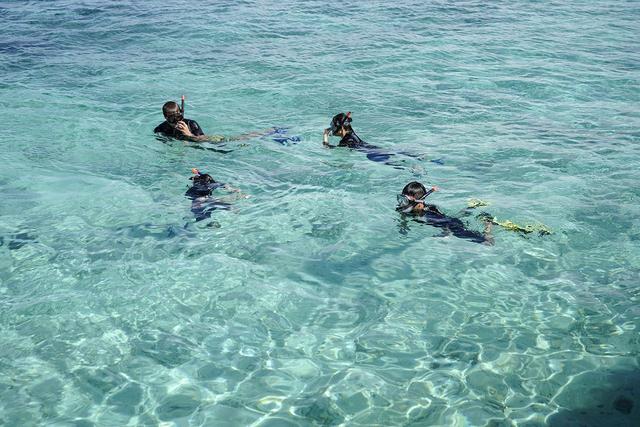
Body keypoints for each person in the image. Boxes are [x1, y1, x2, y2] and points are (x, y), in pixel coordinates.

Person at [396, 181, 494, 245]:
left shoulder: (429, 214)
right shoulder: (405, 208)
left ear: (420, 203)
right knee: (456, 216)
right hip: (446, 220)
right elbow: (403, 216)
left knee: (487, 242)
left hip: (451, 224)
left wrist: (446, 233)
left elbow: (447, 223)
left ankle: (488, 224)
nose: (403, 204)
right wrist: (403, 226)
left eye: (406, 201)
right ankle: (470, 208)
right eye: (402, 199)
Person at [322, 112, 431, 165]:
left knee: (397, 164)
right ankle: (425, 159)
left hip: (373, 153)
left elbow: (333, 150)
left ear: (341, 128)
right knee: (398, 155)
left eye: (334, 127)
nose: (332, 129)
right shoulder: (351, 134)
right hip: (375, 148)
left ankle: (412, 166)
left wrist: (325, 138)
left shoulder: (345, 140)